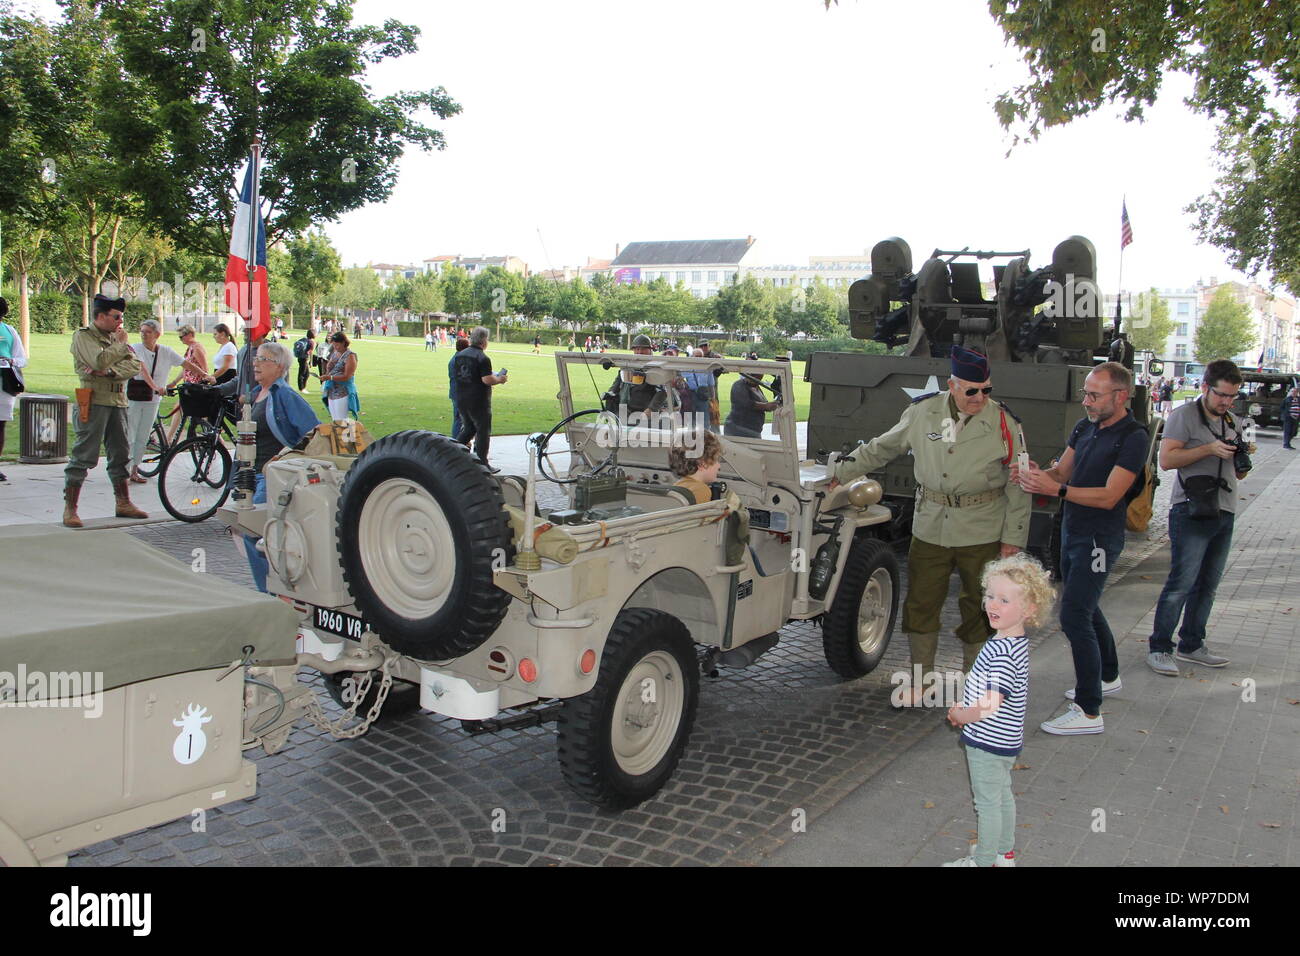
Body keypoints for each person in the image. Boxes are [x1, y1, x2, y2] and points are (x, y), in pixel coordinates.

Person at [833, 346, 1030, 706]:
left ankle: (975, 684)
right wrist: (839, 474)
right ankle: (920, 681)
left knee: (982, 607)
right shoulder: (923, 413)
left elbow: (1019, 481)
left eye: (986, 389)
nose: (979, 397)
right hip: (931, 525)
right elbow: (881, 448)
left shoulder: (1003, 422)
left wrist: (1013, 539)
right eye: (971, 390)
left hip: (982, 527)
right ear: (952, 385)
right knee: (921, 603)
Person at [1018, 361, 1146, 735]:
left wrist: (1056, 489)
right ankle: (1107, 676)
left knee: (1074, 615)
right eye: (1085, 393)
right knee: (1086, 607)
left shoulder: (1133, 437)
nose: (1086, 401)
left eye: (1094, 395)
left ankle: (1089, 711)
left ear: (1120, 396)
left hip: (1098, 539)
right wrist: (1039, 475)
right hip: (1071, 530)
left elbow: (1110, 496)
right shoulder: (1084, 426)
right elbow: (1062, 473)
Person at [943, 553, 1054, 868]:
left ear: (1029, 609)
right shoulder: (1011, 642)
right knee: (1002, 796)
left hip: (988, 742)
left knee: (987, 804)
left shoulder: (1003, 652)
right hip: (1005, 740)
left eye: (1004, 600)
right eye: (990, 595)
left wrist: (964, 715)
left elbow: (993, 701)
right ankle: (1004, 854)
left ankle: (983, 862)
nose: (993, 604)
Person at [1146, 360, 1248, 676]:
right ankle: (1160, 647)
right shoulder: (1183, 416)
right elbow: (1166, 460)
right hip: (1190, 510)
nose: (1226, 402)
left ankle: (1192, 643)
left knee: (1208, 584)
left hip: (1224, 509)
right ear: (1205, 387)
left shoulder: (1232, 419)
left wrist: (1241, 458)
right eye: (1221, 395)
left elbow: (1238, 473)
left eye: (1232, 396)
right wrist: (1208, 449)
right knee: (1182, 582)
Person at [231, 341, 320, 592]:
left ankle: (271, 593)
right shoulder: (257, 393)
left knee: (253, 531)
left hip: (270, 478)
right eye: (256, 358)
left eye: (263, 359)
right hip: (249, 476)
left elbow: (314, 434)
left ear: (280, 367)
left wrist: (283, 458)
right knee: (248, 529)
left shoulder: (285, 396)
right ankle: (272, 590)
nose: (255, 363)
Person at [62, 293, 147, 527]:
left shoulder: (114, 339)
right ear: (100, 316)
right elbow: (96, 361)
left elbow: (134, 365)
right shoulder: (84, 337)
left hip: (117, 401)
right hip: (94, 400)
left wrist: (110, 371)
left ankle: (123, 502)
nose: (120, 322)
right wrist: (117, 349)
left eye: (121, 317)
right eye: (116, 316)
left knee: (120, 454)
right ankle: (70, 508)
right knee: (84, 454)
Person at [126, 319, 184, 483]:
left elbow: (186, 363)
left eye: (148, 332)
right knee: (130, 433)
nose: (144, 334)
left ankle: (134, 470)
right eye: (142, 331)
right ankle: (124, 471)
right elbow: (142, 369)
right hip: (135, 397)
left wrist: (205, 375)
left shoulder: (165, 351)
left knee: (143, 436)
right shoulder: (135, 348)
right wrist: (156, 387)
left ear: (157, 334)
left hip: (152, 400)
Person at [454, 326, 507, 470]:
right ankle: (483, 463)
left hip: (461, 397)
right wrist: (500, 379)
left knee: (468, 429)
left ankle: (453, 455)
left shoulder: (460, 355)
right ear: (484, 341)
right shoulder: (483, 358)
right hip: (478, 400)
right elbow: (487, 380)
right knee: (483, 431)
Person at [0, 298, 29, 483]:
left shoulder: (9, 331)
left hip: (4, 383)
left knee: (0, 425)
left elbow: (21, 358)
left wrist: (11, 361)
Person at [602, 334, 662, 414]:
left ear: (650, 350)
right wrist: (610, 394)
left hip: (643, 413)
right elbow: (616, 384)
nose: (640, 352)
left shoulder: (656, 367)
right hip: (624, 410)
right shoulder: (628, 366)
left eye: (644, 349)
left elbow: (662, 391)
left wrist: (651, 409)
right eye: (637, 349)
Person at [669, 429, 722, 504]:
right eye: (716, 460)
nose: (719, 466)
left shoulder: (678, 485)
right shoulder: (701, 490)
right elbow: (699, 516)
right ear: (702, 464)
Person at [723, 373, 778, 438]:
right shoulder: (738, 385)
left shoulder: (756, 387)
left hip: (754, 430)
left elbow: (763, 403)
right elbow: (746, 404)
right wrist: (766, 406)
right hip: (739, 430)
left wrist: (771, 405)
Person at [321, 331, 359, 421]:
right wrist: (327, 374)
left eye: (337, 345)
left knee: (342, 420)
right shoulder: (335, 353)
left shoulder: (350, 356)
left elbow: (347, 376)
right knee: (335, 420)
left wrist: (330, 377)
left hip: (343, 391)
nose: (335, 347)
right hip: (331, 390)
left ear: (343, 343)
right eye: (333, 345)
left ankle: (347, 434)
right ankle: (338, 434)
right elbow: (329, 367)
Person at [448, 336, 469, 441]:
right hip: (460, 394)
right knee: (460, 419)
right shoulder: (460, 361)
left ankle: (457, 440)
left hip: (455, 392)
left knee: (459, 418)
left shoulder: (455, 358)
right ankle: (456, 441)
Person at [1282, 385, 1300, 450]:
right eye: (1293, 392)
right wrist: (1285, 414)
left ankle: (1288, 443)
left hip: (1296, 418)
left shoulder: (1299, 399)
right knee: (1287, 431)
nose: (1294, 393)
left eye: (1295, 392)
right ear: (1291, 392)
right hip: (1288, 418)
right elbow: (1282, 407)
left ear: (1297, 392)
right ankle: (1286, 444)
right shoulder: (1287, 399)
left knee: (1294, 432)